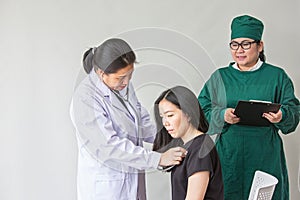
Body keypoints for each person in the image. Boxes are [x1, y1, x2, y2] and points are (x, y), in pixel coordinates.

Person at [198, 14, 300, 199]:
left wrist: (282, 115)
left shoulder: (277, 76)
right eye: (234, 44)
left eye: (246, 44)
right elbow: (200, 113)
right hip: (229, 156)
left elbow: (293, 111)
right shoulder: (220, 77)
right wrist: (222, 115)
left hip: (265, 154)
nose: (239, 50)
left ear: (259, 46)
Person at [70, 38, 186, 200]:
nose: (127, 82)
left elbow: (140, 120)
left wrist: (170, 136)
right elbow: (108, 146)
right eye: (121, 77)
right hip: (107, 188)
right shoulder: (85, 99)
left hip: (131, 181)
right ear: (101, 73)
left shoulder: (122, 86)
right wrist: (158, 158)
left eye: (130, 75)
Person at [152, 86, 224, 200]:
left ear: (188, 114)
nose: (165, 123)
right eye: (162, 117)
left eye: (170, 115)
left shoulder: (201, 148)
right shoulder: (187, 146)